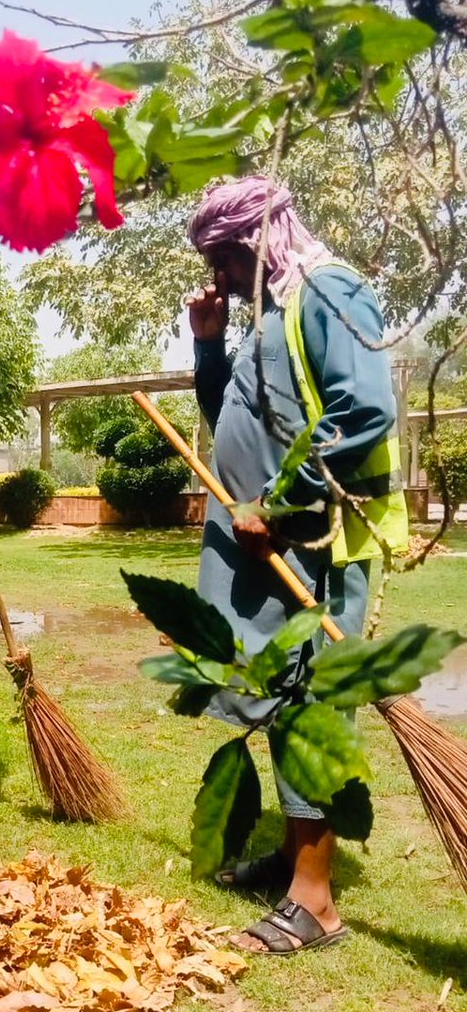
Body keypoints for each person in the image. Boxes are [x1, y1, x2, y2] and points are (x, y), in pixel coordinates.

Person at [186, 176, 408, 954]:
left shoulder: (330, 290)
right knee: (279, 690)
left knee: (311, 700)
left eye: (220, 258)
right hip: (264, 540)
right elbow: (234, 422)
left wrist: (279, 505)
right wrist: (209, 342)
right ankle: (290, 858)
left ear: (253, 238)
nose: (214, 275)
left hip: (313, 542)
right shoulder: (272, 311)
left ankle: (315, 903)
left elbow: (365, 409)